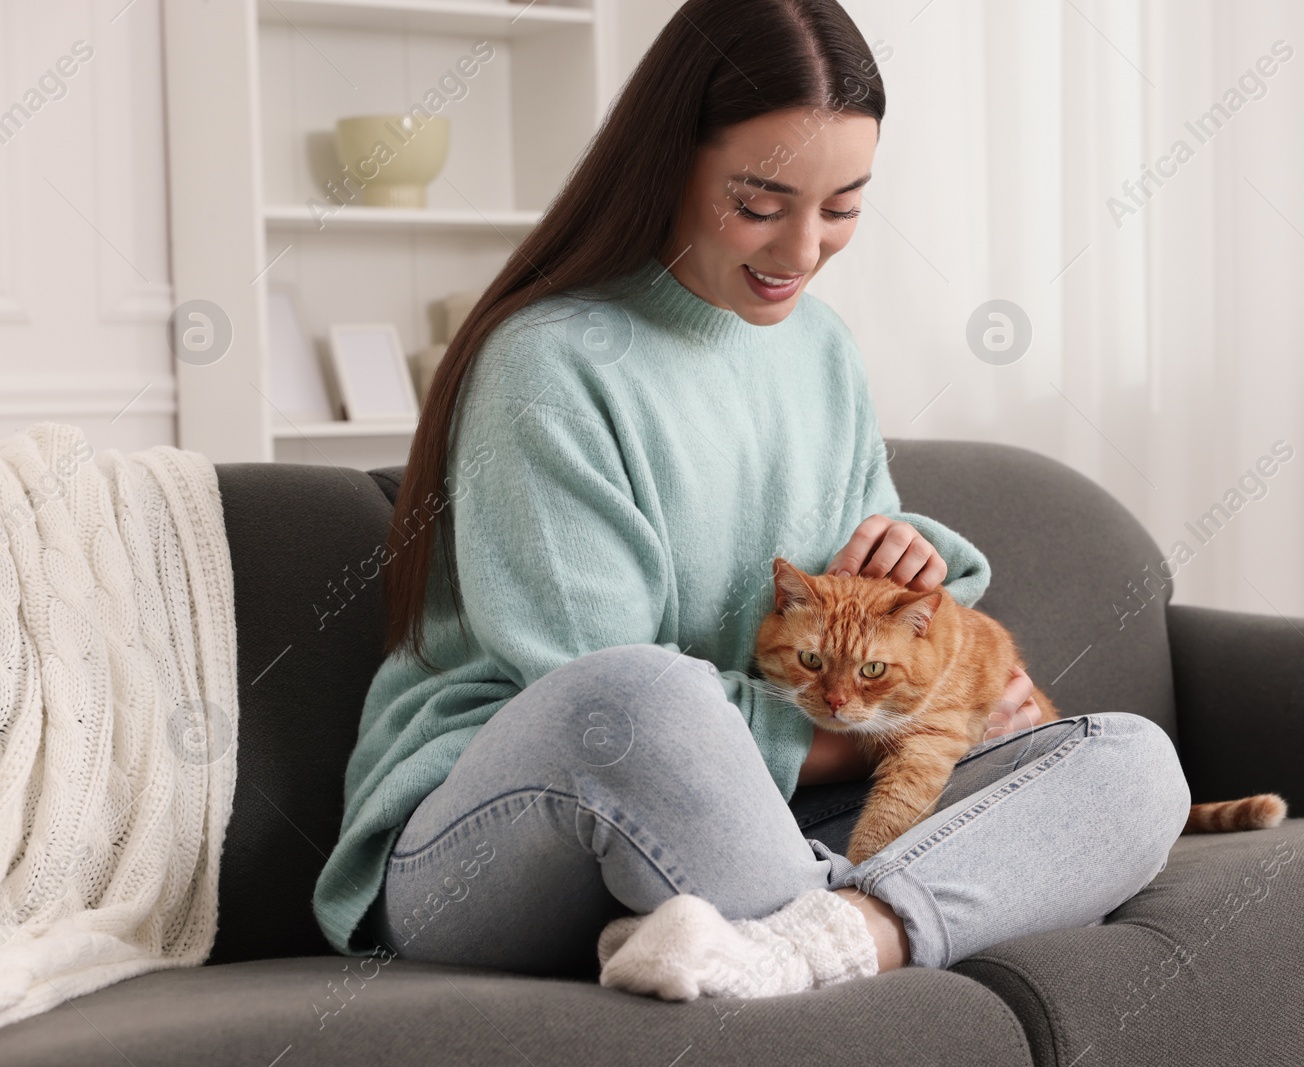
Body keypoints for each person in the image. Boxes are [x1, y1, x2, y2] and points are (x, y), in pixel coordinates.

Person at [311, 0, 1191, 1001]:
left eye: (843, 206)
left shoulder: (821, 351)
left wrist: (907, 563)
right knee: (646, 697)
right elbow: (597, 699)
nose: (801, 251)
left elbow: (841, 575)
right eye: (761, 202)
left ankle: (815, 937)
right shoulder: (548, 363)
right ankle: (858, 922)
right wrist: (884, 729)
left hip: (766, 811)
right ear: (668, 160)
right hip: (505, 837)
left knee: (1128, 761)